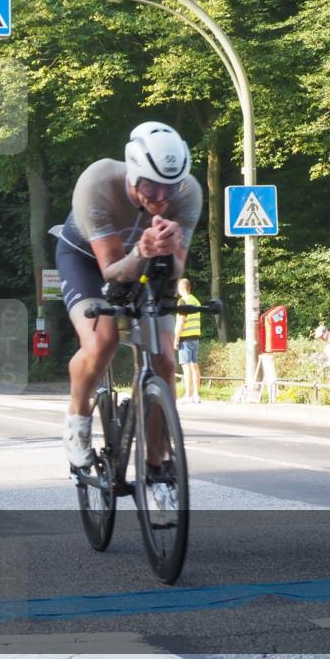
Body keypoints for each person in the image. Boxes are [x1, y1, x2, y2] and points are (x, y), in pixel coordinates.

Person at [53, 121, 202, 487]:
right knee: (102, 340)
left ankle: (157, 466)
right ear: (133, 175)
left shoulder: (190, 192)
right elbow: (111, 270)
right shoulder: (97, 183)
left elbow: (176, 267)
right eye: (152, 186)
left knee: (165, 360)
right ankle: (77, 420)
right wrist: (142, 250)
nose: (163, 197)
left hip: (147, 265)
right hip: (86, 261)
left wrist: (167, 251)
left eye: (171, 186)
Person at [174, 278, 202, 404]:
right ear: (189, 288)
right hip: (196, 336)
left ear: (180, 289)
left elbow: (181, 321)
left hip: (185, 337)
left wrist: (176, 338)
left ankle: (188, 395)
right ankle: (196, 395)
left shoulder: (182, 301)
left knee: (186, 367)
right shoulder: (195, 300)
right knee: (194, 366)